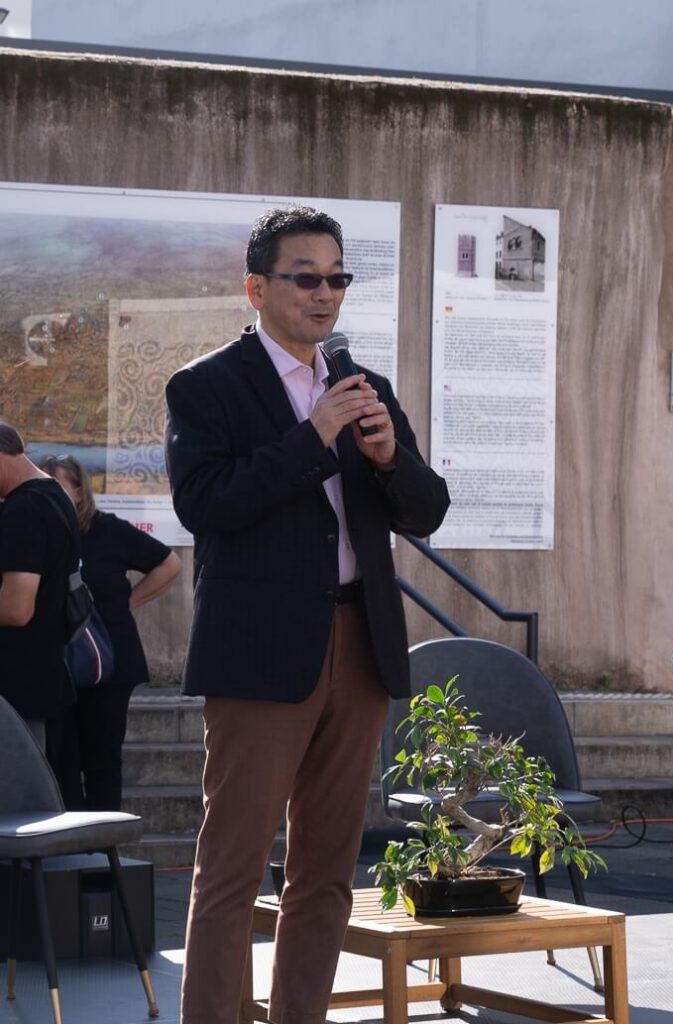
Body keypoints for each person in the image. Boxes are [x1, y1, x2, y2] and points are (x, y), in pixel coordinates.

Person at [165, 205, 450, 1024]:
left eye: (337, 278)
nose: (325, 295)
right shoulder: (206, 385)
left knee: (326, 869)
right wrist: (311, 441)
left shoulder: (365, 387)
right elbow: (205, 504)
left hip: (361, 642)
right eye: (306, 278)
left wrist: (388, 456)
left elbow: (425, 511)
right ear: (257, 287)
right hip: (260, 655)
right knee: (231, 868)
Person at [40, 454, 181, 810]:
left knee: (102, 759)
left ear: (78, 491)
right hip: (57, 666)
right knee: (60, 761)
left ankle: (103, 855)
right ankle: (67, 856)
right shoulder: (36, 529)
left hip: (110, 663)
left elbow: (169, 563)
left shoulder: (107, 530)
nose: (48, 494)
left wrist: (129, 602)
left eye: (56, 485)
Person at [0, 423, 77, 749]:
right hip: (38, 678)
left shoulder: (24, 510)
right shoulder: (54, 496)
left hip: (14, 687)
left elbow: (17, 609)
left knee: (15, 795)